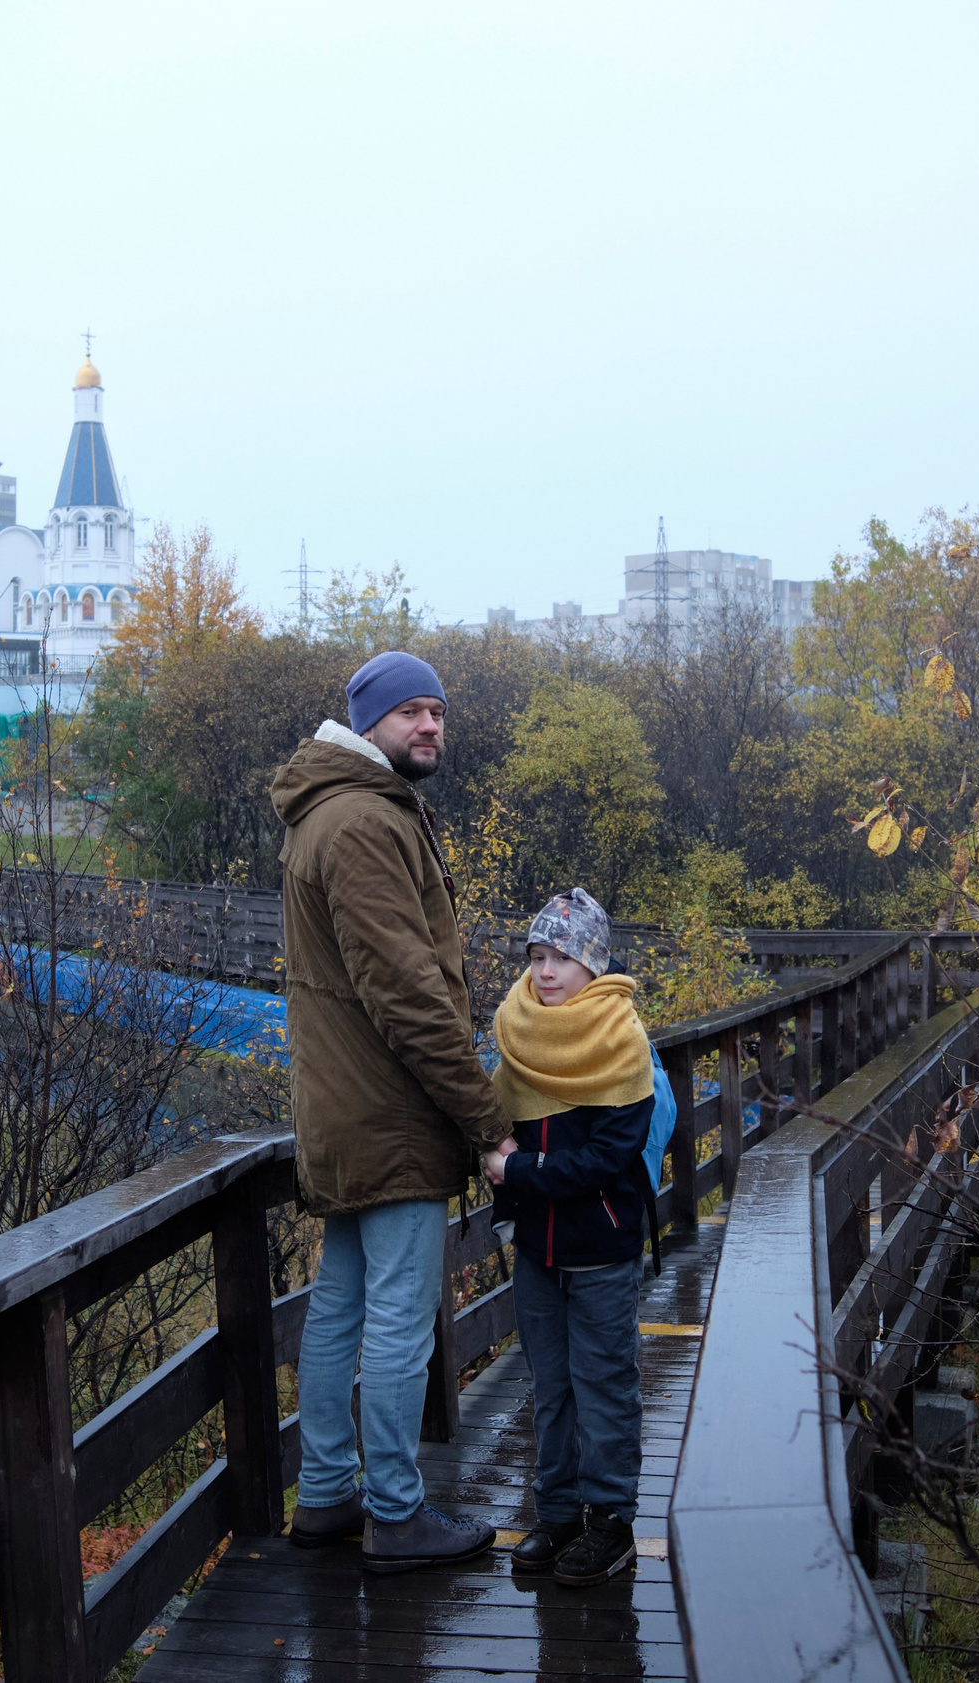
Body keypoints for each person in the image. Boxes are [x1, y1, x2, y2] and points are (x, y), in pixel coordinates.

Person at [269, 649, 514, 1573]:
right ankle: (397, 1513)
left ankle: (328, 1496)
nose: (430, 727)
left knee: (338, 1307)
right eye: (411, 711)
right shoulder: (366, 821)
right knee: (401, 1317)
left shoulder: (329, 810)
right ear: (368, 721)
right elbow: (409, 994)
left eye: (438, 712)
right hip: (390, 1113)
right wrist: (485, 1122)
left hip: (340, 1110)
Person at [483, 886, 653, 1587]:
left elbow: (609, 1159)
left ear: (594, 964)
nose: (546, 970)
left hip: (602, 1248)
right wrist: (491, 1149)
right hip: (537, 1250)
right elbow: (496, 1119)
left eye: (562, 956)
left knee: (605, 1385)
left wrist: (519, 1167)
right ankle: (556, 1514)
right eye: (537, 954)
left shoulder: (620, 1038)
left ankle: (610, 1523)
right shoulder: (517, 1032)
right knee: (549, 1387)